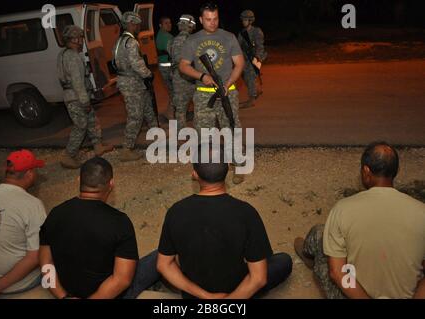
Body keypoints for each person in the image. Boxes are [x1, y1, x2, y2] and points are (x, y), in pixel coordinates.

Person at [157, 144, 292, 299]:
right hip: (237, 291)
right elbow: (258, 279)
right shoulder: (246, 213)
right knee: (283, 260)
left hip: (195, 296)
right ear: (228, 169)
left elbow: (163, 265)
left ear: (194, 174)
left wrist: (206, 296)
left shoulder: (176, 211)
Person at [295, 142, 425, 299]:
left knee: (320, 233)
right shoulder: (421, 212)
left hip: (355, 295)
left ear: (366, 171)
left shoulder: (343, 209)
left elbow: (337, 273)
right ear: (396, 171)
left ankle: (309, 256)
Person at [39, 157, 160, 299]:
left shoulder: (55, 213)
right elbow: (122, 280)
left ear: (79, 180)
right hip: (109, 296)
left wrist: (63, 297)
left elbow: (45, 263)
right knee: (161, 256)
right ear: (111, 184)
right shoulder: (119, 222)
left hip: (67, 292)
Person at [179, 2, 246, 184]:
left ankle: (238, 166)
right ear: (201, 20)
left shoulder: (229, 37)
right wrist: (202, 76)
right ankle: (207, 169)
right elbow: (183, 66)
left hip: (227, 92)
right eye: (208, 19)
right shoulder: (192, 41)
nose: (212, 23)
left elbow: (239, 63)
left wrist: (229, 82)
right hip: (203, 94)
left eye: (215, 18)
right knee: (204, 133)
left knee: (232, 129)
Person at [0, 150, 47, 298]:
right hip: (18, 285)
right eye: (35, 170)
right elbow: (35, 255)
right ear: (29, 174)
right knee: (49, 253)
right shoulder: (32, 205)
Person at [57, 25, 113, 169]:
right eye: (81, 38)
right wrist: (85, 101)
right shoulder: (73, 57)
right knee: (80, 126)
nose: (82, 41)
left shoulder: (62, 54)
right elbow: (78, 82)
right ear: (75, 39)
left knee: (92, 120)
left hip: (72, 96)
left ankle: (98, 146)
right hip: (76, 97)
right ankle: (68, 156)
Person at [114, 12, 158, 162]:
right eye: (137, 24)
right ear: (132, 24)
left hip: (131, 81)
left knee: (148, 108)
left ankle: (155, 136)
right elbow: (137, 64)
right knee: (135, 116)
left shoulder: (120, 40)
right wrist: (148, 74)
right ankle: (127, 149)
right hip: (131, 83)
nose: (139, 27)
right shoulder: (131, 42)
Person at [169, 14, 196, 132]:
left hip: (178, 77)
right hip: (192, 76)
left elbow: (172, 59)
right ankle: (203, 133)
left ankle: (181, 134)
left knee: (180, 108)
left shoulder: (172, 41)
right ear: (190, 26)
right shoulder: (193, 40)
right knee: (200, 106)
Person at [238, 10, 267, 109]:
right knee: (245, 77)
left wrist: (257, 58)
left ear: (250, 20)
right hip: (245, 59)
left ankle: (252, 99)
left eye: (245, 20)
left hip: (254, 58)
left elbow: (260, 46)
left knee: (250, 77)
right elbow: (238, 46)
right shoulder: (242, 33)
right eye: (242, 20)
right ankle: (256, 90)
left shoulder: (256, 31)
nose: (243, 22)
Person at [156, 16, 175, 122]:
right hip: (168, 68)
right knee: (175, 92)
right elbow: (173, 52)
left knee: (173, 91)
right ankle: (170, 114)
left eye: (170, 23)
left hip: (164, 67)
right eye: (166, 23)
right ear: (160, 25)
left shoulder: (160, 35)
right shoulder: (167, 37)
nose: (169, 25)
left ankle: (170, 112)